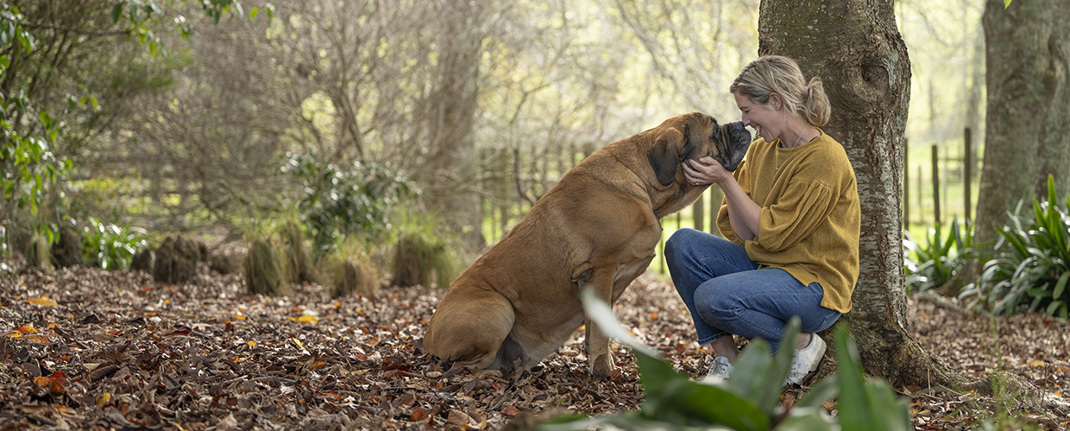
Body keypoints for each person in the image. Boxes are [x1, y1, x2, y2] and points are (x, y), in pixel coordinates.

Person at [665, 55, 860, 385]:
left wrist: (726, 180)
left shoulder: (825, 160)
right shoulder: (760, 151)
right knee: (681, 244)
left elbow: (773, 235)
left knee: (713, 298)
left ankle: (801, 344)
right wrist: (724, 180)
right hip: (767, 267)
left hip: (815, 285)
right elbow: (745, 233)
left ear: (775, 100)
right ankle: (727, 360)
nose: (744, 122)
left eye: (747, 110)